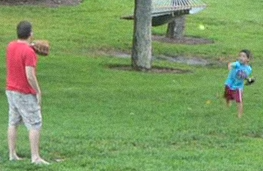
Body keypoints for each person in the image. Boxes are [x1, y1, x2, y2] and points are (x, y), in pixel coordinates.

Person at [5, 21, 49, 165]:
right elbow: (30, 75)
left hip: (11, 90)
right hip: (24, 92)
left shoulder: (11, 46)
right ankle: (35, 157)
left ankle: (12, 154)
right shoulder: (29, 52)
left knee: (13, 122)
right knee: (35, 123)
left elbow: (19, 50)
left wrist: (30, 45)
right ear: (30, 33)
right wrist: (38, 91)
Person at [224, 49, 253, 118]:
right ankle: (228, 106)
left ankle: (239, 115)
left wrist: (249, 79)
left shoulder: (249, 69)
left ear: (248, 59)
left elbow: (244, 76)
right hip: (229, 83)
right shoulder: (237, 64)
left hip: (238, 87)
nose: (241, 58)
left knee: (239, 101)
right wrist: (230, 67)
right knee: (227, 96)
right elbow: (230, 64)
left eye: (243, 56)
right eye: (240, 56)